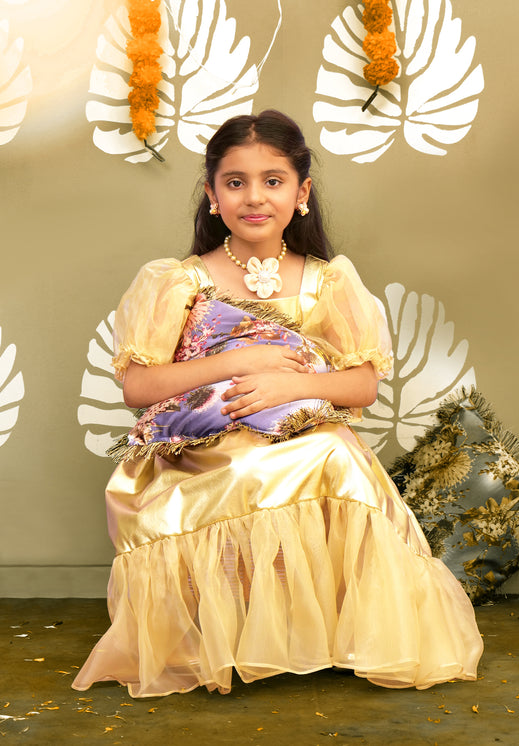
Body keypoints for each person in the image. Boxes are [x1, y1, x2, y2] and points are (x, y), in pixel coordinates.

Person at [73, 110, 483, 698]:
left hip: (297, 429)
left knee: (336, 459)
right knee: (246, 469)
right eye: (235, 182)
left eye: (273, 180)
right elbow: (138, 387)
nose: (254, 197)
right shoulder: (180, 281)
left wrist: (291, 387)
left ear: (302, 191)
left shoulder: (327, 282)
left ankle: (327, 630)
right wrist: (237, 363)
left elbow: (362, 385)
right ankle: (233, 634)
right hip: (201, 447)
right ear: (213, 194)